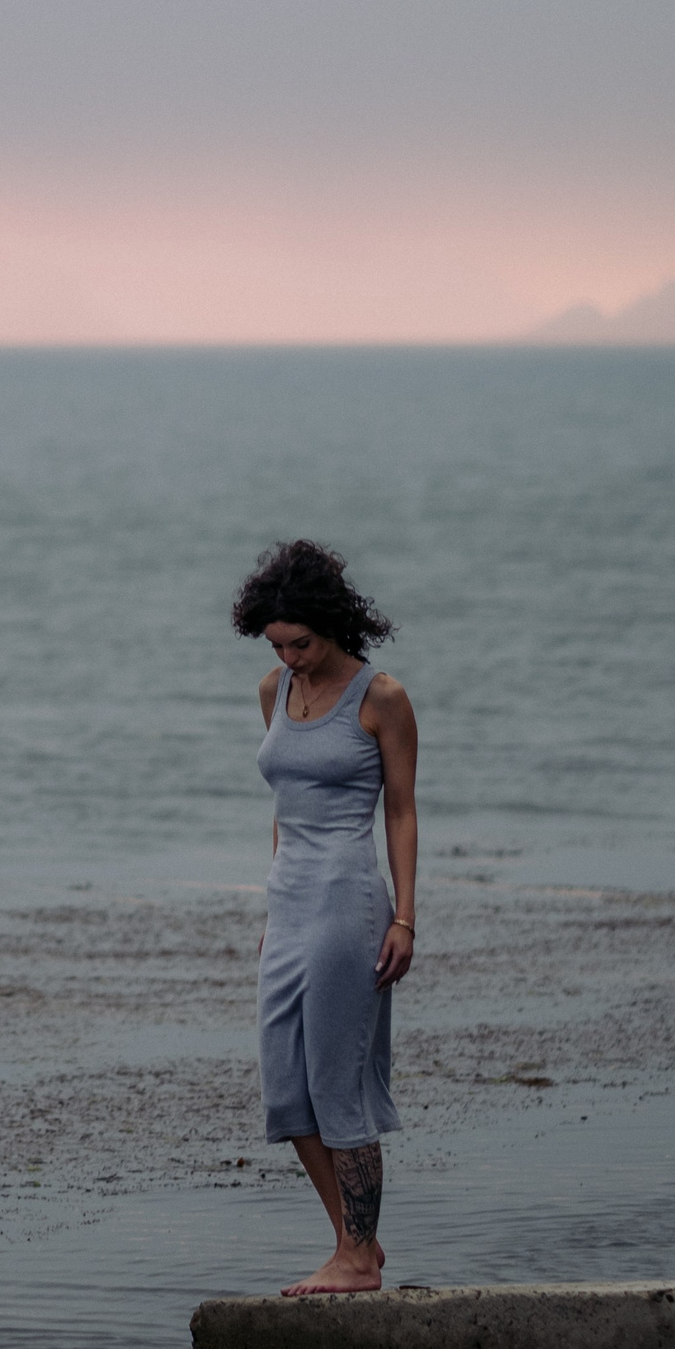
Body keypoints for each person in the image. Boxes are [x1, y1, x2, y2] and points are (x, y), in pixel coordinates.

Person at [232, 538, 418, 1296]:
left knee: (338, 1083)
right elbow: (284, 807)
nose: (291, 657)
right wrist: (275, 904)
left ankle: (357, 1255)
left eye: (301, 643)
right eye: (278, 644)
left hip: (350, 898)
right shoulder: (274, 690)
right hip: (291, 898)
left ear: (334, 625)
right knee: (286, 1087)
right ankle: (355, 1245)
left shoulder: (382, 698)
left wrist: (405, 917)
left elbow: (402, 812)